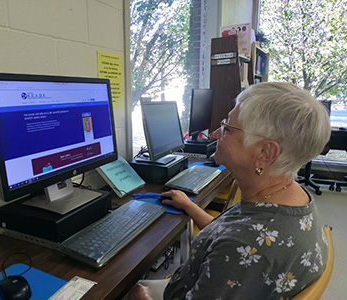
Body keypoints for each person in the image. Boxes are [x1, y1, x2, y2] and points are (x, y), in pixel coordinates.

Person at [128, 82, 331, 300]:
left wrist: (142, 297)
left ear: (266, 152)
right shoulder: (288, 197)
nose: (215, 134)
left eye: (228, 128)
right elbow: (227, 235)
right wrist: (189, 205)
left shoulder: (246, 246)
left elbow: (237, 246)